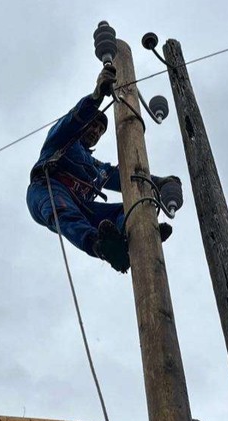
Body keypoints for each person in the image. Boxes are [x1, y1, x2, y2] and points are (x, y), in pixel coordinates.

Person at [26, 64, 175, 273]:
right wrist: (96, 97)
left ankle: (135, 239)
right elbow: (71, 120)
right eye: (94, 125)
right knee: (65, 212)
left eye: (101, 130)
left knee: (130, 208)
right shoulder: (62, 140)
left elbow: (124, 177)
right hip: (48, 188)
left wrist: (159, 183)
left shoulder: (96, 168)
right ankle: (101, 246)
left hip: (82, 205)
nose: (96, 131)